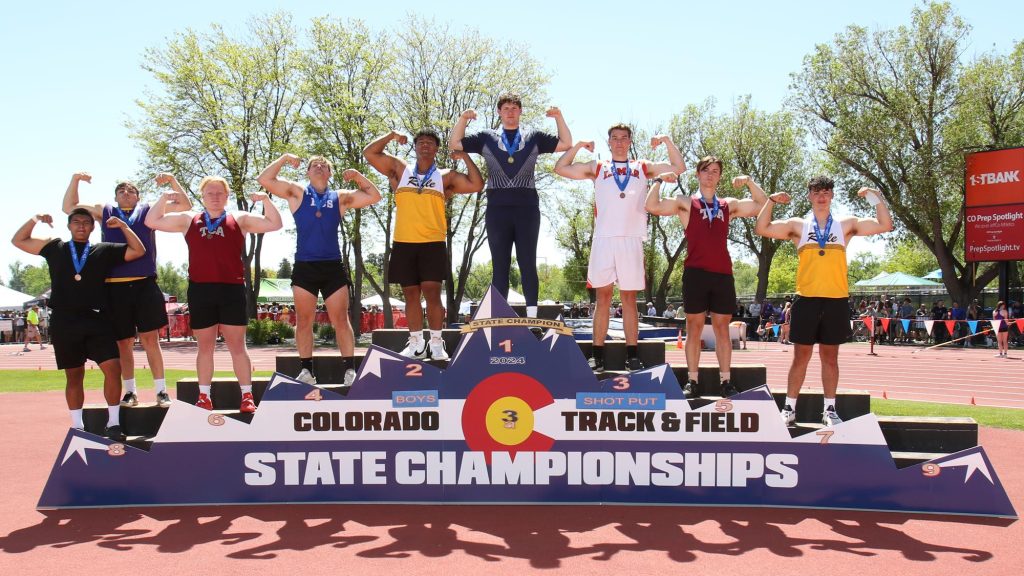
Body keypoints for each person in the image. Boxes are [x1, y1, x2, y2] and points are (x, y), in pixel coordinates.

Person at [754, 176, 892, 426]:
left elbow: (885, 225)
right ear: (809, 195)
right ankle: (789, 409)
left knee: (830, 358)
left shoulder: (845, 225)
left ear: (832, 196)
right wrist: (771, 201)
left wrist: (875, 197)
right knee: (800, 357)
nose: (821, 196)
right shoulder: (798, 226)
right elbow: (762, 228)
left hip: (836, 300)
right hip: (806, 299)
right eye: (817, 192)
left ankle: (830, 410)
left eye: (826, 192)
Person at [145, 175, 283, 412]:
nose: (215, 197)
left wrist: (265, 200)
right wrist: (164, 198)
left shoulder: (238, 218)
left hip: (231, 288)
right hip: (201, 289)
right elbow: (152, 220)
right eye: (210, 193)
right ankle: (204, 396)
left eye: (220, 193)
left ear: (227, 196)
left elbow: (274, 223)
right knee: (205, 347)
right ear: (203, 196)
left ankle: (247, 396)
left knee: (237, 346)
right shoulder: (190, 219)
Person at [554, 127, 685, 371]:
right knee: (602, 298)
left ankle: (632, 354)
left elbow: (679, 167)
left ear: (630, 141)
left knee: (629, 299)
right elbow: (560, 168)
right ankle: (597, 355)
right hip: (604, 238)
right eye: (615, 138)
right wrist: (579, 144)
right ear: (609, 141)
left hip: (632, 238)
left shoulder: (642, 167)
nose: (619, 142)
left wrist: (667, 140)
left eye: (624, 138)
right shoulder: (598, 167)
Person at [12, 209, 146, 440]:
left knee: (113, 369)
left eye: (86, 222)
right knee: (74, 376)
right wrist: (35, 219)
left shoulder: (102, 250)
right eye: (76, 222)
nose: (81, 226)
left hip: (97, 319)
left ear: (93, 227)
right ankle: (78, 427)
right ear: (69, 226)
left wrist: (123, 227)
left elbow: (138, 251)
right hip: (64, 321)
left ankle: (113, 424)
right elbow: (18, 240)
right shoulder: (55, 248)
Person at [62, 173, 190, 408]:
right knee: (123, 343)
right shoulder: (106, 210)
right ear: (115, 197)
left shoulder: (148, 211)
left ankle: (161, 391)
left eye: (131, 191)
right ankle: (130, 392)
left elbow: (185, 204)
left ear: (138, 196)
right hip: (114, 286)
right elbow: (69, 206)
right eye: (121, 191)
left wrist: (172, 181)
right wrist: (75, 180)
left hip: (144, 282)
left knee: (151, 339)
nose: (126, 193)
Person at [646, 159, 768, 397]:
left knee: (723, 329)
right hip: (696, 273)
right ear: (697, 174)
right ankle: (693, 380)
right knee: (694, 328)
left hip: (722, 274)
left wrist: (750, 182)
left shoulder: (728, 205)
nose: (710, 175)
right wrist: (660, 181)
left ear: (720, 177)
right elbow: (652, 205)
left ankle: (726, 381)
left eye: (715, 172)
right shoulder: (685, 202)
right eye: (706, 171)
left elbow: (762, 205)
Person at [257, 155, 381, 386]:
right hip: (305, 266)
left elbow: (375, 195)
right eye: (315, 164)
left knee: (341, 320)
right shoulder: (297, 193)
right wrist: (284, 159)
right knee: (304, 320)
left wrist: (357, 176)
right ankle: (306, 370)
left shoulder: (340, 197)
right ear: (308, 172)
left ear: (330, 173)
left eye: (325, 165)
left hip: (332, 265)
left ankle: (350, 371)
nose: (320, 166)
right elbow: (265, 178)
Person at [363, 129, 484, 359]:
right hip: (404, 242)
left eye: (430, 143)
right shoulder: (400, 169)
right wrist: (390, 136)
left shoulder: (445, 177)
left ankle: (436, 343)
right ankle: (416, 343)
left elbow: (476, 184)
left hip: (432, 242)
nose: (425, 145)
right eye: (421, 142)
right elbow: (370, 153)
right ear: (415, 147)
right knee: (410, 295)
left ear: (436, 149)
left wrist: (465, 156)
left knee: (432, 294)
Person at [450, 93, 572, 319]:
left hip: (527, 209)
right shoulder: (487, 137)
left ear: (520, 112)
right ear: (499, 112)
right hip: (497, 210)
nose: (510, 112)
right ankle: (498, 315)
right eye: (505, 108)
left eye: (514, 108)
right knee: (500, 265)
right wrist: (463, 119)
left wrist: (558, 116)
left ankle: (533, 316)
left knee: (528, 261)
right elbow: (455, 143)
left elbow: (566, 144)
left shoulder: (533, 136)